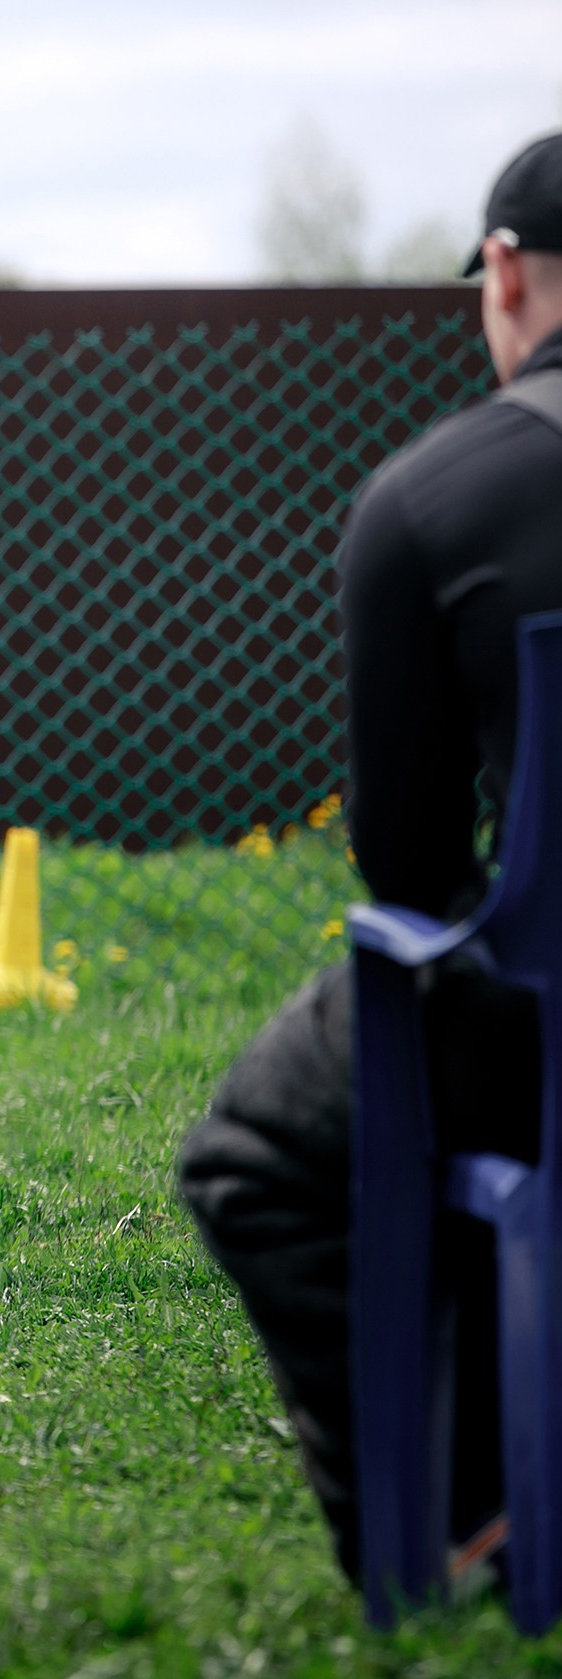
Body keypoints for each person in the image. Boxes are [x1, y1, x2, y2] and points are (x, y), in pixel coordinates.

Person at [178, 131, 562, 1583]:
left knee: (262, 1150)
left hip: (543, 1011)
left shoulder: (435, 496)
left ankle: (471, 1513)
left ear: (508, 274)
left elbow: (410, 864)